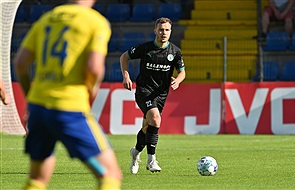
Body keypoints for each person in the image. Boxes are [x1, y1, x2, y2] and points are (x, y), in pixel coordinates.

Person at [14, 0, 122, 189]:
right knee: (110, 175)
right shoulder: (95, 21)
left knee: (37, 179)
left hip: (39, 107)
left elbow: (21, 63)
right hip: (69, 108)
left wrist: (31, 100)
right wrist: (91, 91)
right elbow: (94, 68)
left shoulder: (47, 19)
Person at [119, 17, 186, 174]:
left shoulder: (175, 52)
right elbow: (124, 57)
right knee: (156, 119)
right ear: (155, 31)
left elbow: (182, 71)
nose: (164, 33)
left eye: (167, 30)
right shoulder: (146, 48)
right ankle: (151, 160)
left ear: (171, 32)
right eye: (161, 29)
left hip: (161, 94)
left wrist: (178, 80)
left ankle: (135, 153)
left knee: (148, 127)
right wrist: (126, 76)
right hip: (144, 91)